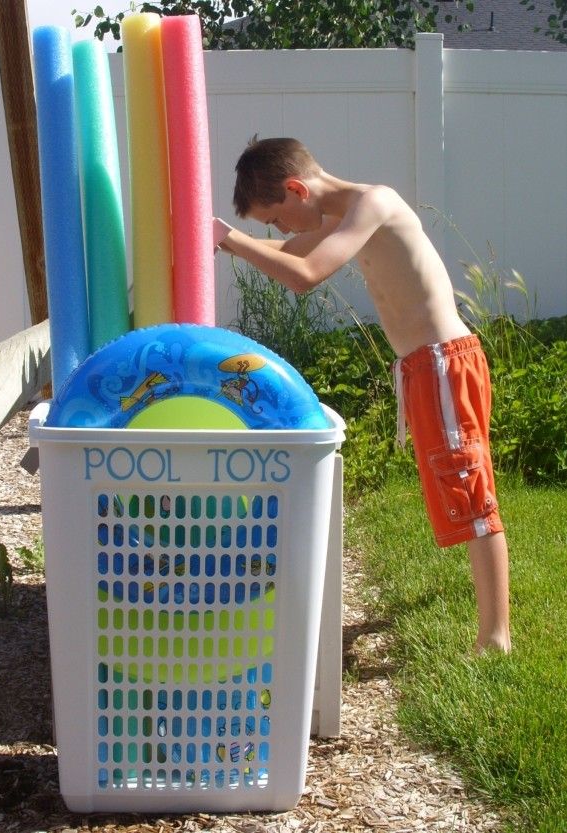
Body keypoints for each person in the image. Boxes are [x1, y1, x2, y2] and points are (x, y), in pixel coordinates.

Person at [213, 136, 511, 654]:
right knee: (457, 488)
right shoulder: (338, 216)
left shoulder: (373, 202)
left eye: (277, 217)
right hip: (424, 366)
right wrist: (226, 238)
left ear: (295, 188)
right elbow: (291, 251)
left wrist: (232, 240)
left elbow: (304, 275)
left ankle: (496, 639)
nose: (280, 231)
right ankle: (491, 623)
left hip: (444, 362)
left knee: (472, 494)